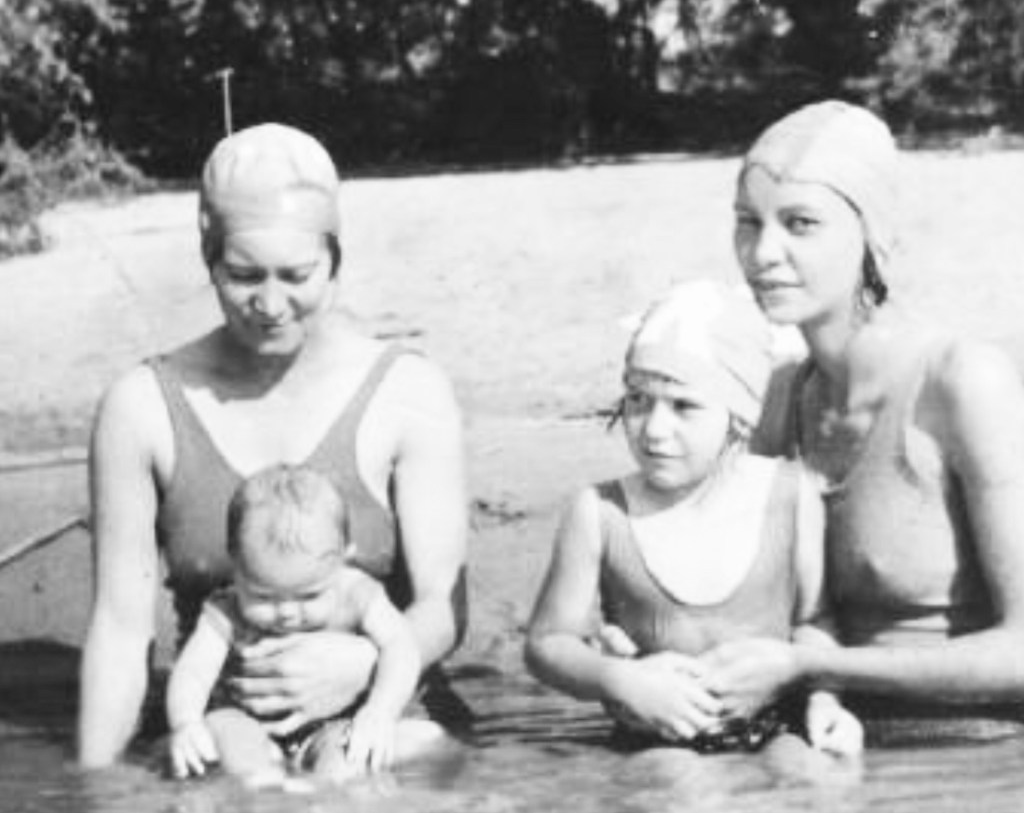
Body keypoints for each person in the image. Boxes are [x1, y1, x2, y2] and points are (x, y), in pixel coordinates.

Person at [78, 123, 469, 769]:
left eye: (296, 274)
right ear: (209, 261)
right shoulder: (141, 407)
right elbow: (120, 631)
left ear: (335, 262)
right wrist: (92, 788)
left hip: (379, 720)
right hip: (226, 727)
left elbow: (444, 606)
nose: (269, 303)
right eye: (242, 275)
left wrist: (364, 660)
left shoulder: (408, 392)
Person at [698, 99, 1024, 735]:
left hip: (977, 760)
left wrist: (813, 668)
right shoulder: (782, 399)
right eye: (747, 222)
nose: (763, 253)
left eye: (800, 224)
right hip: (832, 745)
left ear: (870, 232)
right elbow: (744, 606)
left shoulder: (962, 382)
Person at [524, 280, 863, 755]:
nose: (654, 429)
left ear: (740, 418)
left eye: (684, 406)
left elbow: (814, 620)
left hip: (775, 726)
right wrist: (620, 679)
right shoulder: (600, 512)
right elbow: (547, 643)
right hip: (655, 737)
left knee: (803, 769)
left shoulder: (789, 495)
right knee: (672, 775)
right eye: (638, 400)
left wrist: (825, 701)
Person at [168, 464, 429, 786]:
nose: (288, 613)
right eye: (264, 596)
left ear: (344, 560)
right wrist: (185, 724)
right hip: (249, 723)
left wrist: (379, 712)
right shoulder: (227, 610)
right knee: (224, 732)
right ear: (235, 566)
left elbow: (401, 646)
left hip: (333, 723)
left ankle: (321, 794)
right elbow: (193, 671)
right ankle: (262, 784)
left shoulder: (356, 594)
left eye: (309, 596)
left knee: (350, 762)